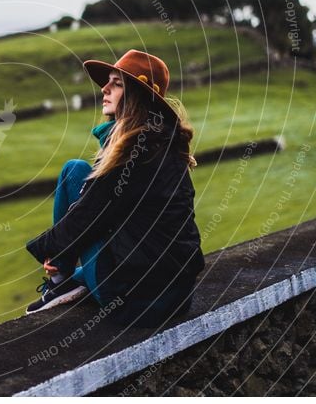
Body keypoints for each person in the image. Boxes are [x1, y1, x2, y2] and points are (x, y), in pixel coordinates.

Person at [24, 49, 204, 328]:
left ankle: (59, 281)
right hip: (178, 294)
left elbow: (89, 215)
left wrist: (50, 251)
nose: (104, 89)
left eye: (117, 84)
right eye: (107, 82)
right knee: (77, 171)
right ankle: (73, 277)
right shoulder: (159, 142)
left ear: (137, 95)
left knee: (73, 175)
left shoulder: (137, 151)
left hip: (135, 300)